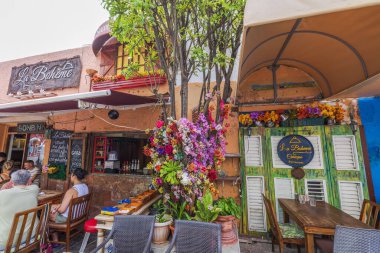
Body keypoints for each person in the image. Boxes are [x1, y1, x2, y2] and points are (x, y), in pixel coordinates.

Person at [0, 170, 39, 250]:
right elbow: (31, 185)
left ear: (12, 180)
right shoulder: (34, 189)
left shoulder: (3, 194)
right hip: (30, 236)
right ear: (29, 180)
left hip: (6, 242)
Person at [49, 168, 89, 242]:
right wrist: (58, 205)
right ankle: (54, 238)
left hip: (68, 219)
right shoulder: (85, 187)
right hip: (79, 217)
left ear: (74, 176)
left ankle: (52, 240)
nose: (70, 176)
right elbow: (69, 203)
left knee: (44, 214)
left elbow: (61, 210)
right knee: (52, 208)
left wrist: (53, 208)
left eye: (71, 175)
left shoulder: (71, 191)